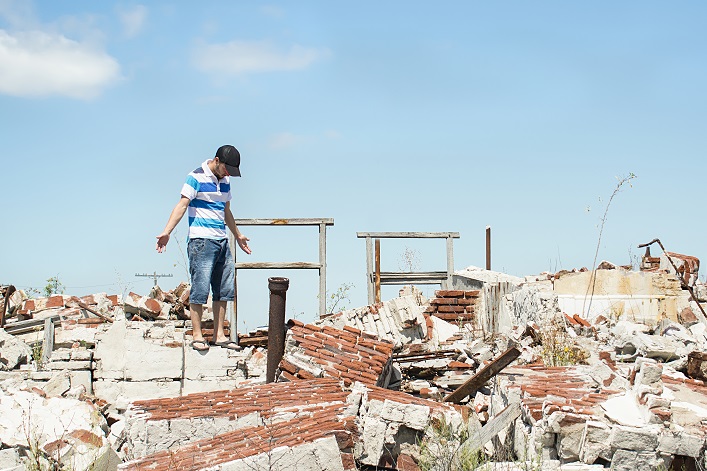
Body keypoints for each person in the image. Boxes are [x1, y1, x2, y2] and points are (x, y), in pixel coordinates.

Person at [156, 145, 251, 351]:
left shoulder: (225, 182)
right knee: (200, 288)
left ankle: (219, 335)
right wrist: (167, 232)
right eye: (227, 169)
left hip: (222, 240)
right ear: (217, 160)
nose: (228, 174)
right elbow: (182, 205)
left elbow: (226, 211)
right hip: (201, 241)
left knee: (224, 289)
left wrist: (238, 235)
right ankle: (197, 335)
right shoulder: (195, 177)